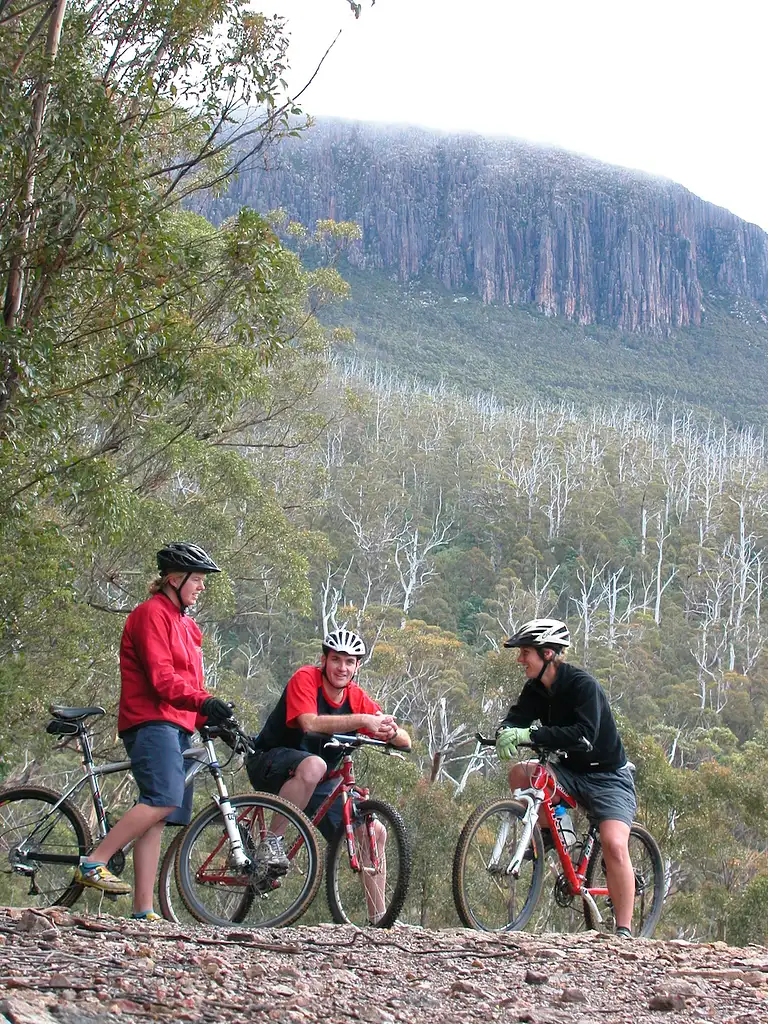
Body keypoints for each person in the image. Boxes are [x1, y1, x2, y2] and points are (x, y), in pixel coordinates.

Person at [73, 542, 234, 920]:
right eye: (197, 579)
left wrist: (208, 717)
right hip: (151, 720)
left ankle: (143, 909)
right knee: (163, 797)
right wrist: (202, 702)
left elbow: (192, 683)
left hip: (177, 722)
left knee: (159, 813)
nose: (202, 586)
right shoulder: (150, 615)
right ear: (174, 580)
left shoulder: (187, 625)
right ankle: (94, 861)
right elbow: (162, 680)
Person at [246, 628, 410, 918]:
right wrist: (363, 721)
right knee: (315, 764)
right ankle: (272, 842)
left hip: (316, 782)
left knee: (373, 832)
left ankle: (379, 920)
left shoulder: (356, 696)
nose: (342, 668)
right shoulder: (305, 679)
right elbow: (308, 723)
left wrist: (391, 730)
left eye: (349, 662)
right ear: (324, 660)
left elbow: (405, 741)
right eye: (336, 659)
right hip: (269, 763)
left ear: (357, 666)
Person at [495, 617, 637, 939]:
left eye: (525, 653)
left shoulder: (582, 686)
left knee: (614, 845)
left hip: (608, 777)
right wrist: (505, 731)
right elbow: (517, 716)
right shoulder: (535, 688)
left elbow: (583, 735)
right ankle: (552, 833)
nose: (520, 659)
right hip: (570, 771)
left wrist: (530, 733)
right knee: (521, 774)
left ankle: (624, 931)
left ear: (547, 653)